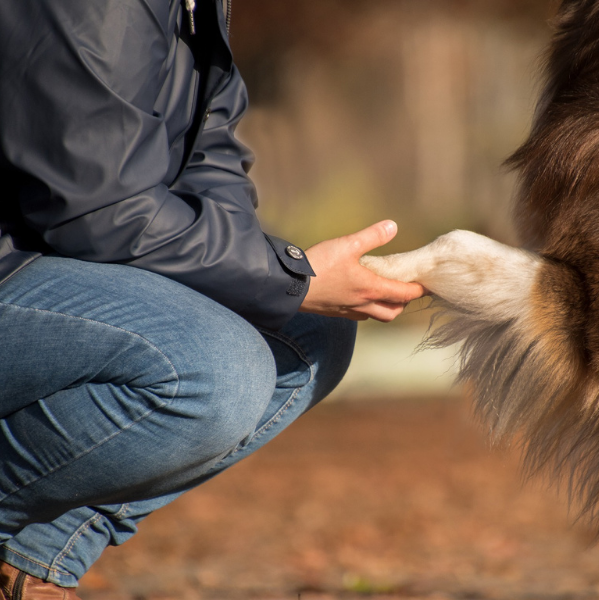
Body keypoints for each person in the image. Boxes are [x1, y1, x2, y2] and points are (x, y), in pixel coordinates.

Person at [0, 0, 425, 597]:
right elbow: (101, 210)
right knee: (215, 369)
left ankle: (31, 559)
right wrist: (293, 278)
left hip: (46, 257)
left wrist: (278, 281)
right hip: (20, 263)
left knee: (305, 335)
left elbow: (211, 153)